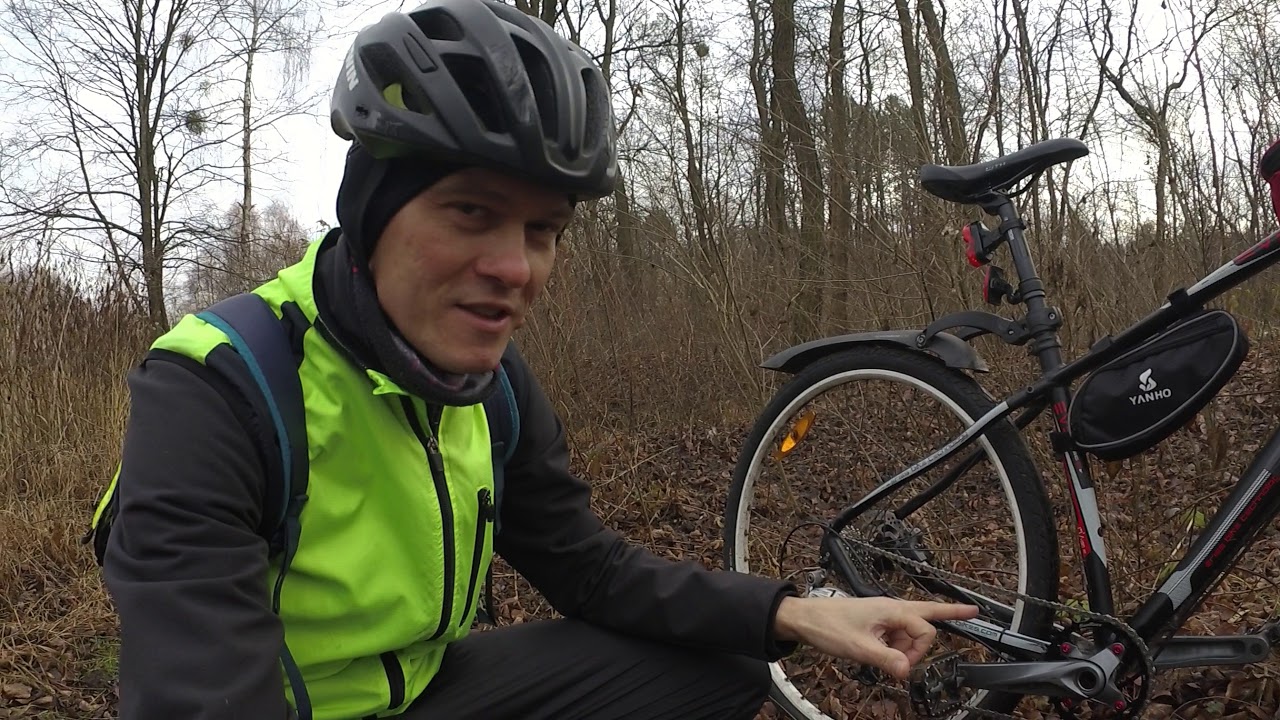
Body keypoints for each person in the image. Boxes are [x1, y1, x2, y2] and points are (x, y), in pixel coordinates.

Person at [96, 0, 978, 718]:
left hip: (425, 694)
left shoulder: (490, 384)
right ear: (371, 216)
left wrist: (792, 611)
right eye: (471, 213)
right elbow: (202, 696)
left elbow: (588, 569)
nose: (516, 268)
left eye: (543, 230)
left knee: (727, 665)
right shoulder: (219, 387)